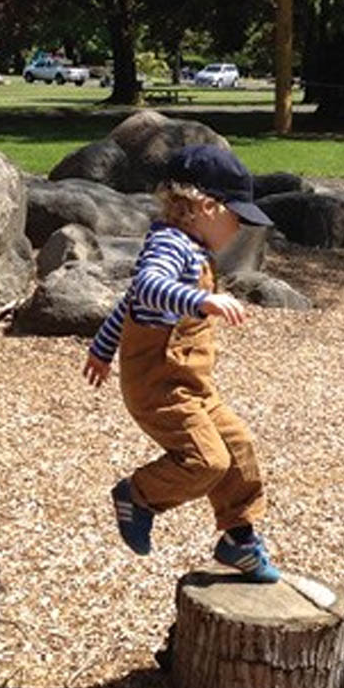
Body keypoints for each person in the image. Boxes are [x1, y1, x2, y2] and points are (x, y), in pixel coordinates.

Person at [82, 144, 280, 582]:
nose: (240, 228)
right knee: (206, 461)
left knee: (238, 446)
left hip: (192, 384)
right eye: (238, 217)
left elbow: (130, 302)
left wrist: (102, 346)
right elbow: (148, 286)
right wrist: (203, 299)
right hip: (159, 386)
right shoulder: (170, 245)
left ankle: (238, 537)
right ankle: (138, 495)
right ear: (206, 207)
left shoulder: (192, 247)